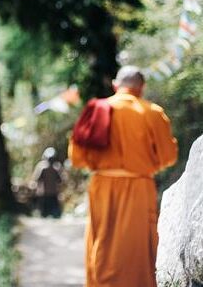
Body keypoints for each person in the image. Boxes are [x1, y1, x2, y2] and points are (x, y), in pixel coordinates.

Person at [68, 65, 178, 287]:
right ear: (141, 88)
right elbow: (169, 156)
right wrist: (149, 163)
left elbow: (76, 157)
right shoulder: (152, 113)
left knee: (102, 242)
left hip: (102, 186)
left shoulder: (97, 109)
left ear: (115, 85)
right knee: (135, 250)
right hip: (139, 186)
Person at [31, 147, 64, 218]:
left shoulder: (53, 167)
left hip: (49, 194)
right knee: (47, 214)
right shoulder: (45, 167)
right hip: (45, 194)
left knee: (51, 215)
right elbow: (60, 180)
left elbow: (36, 179)